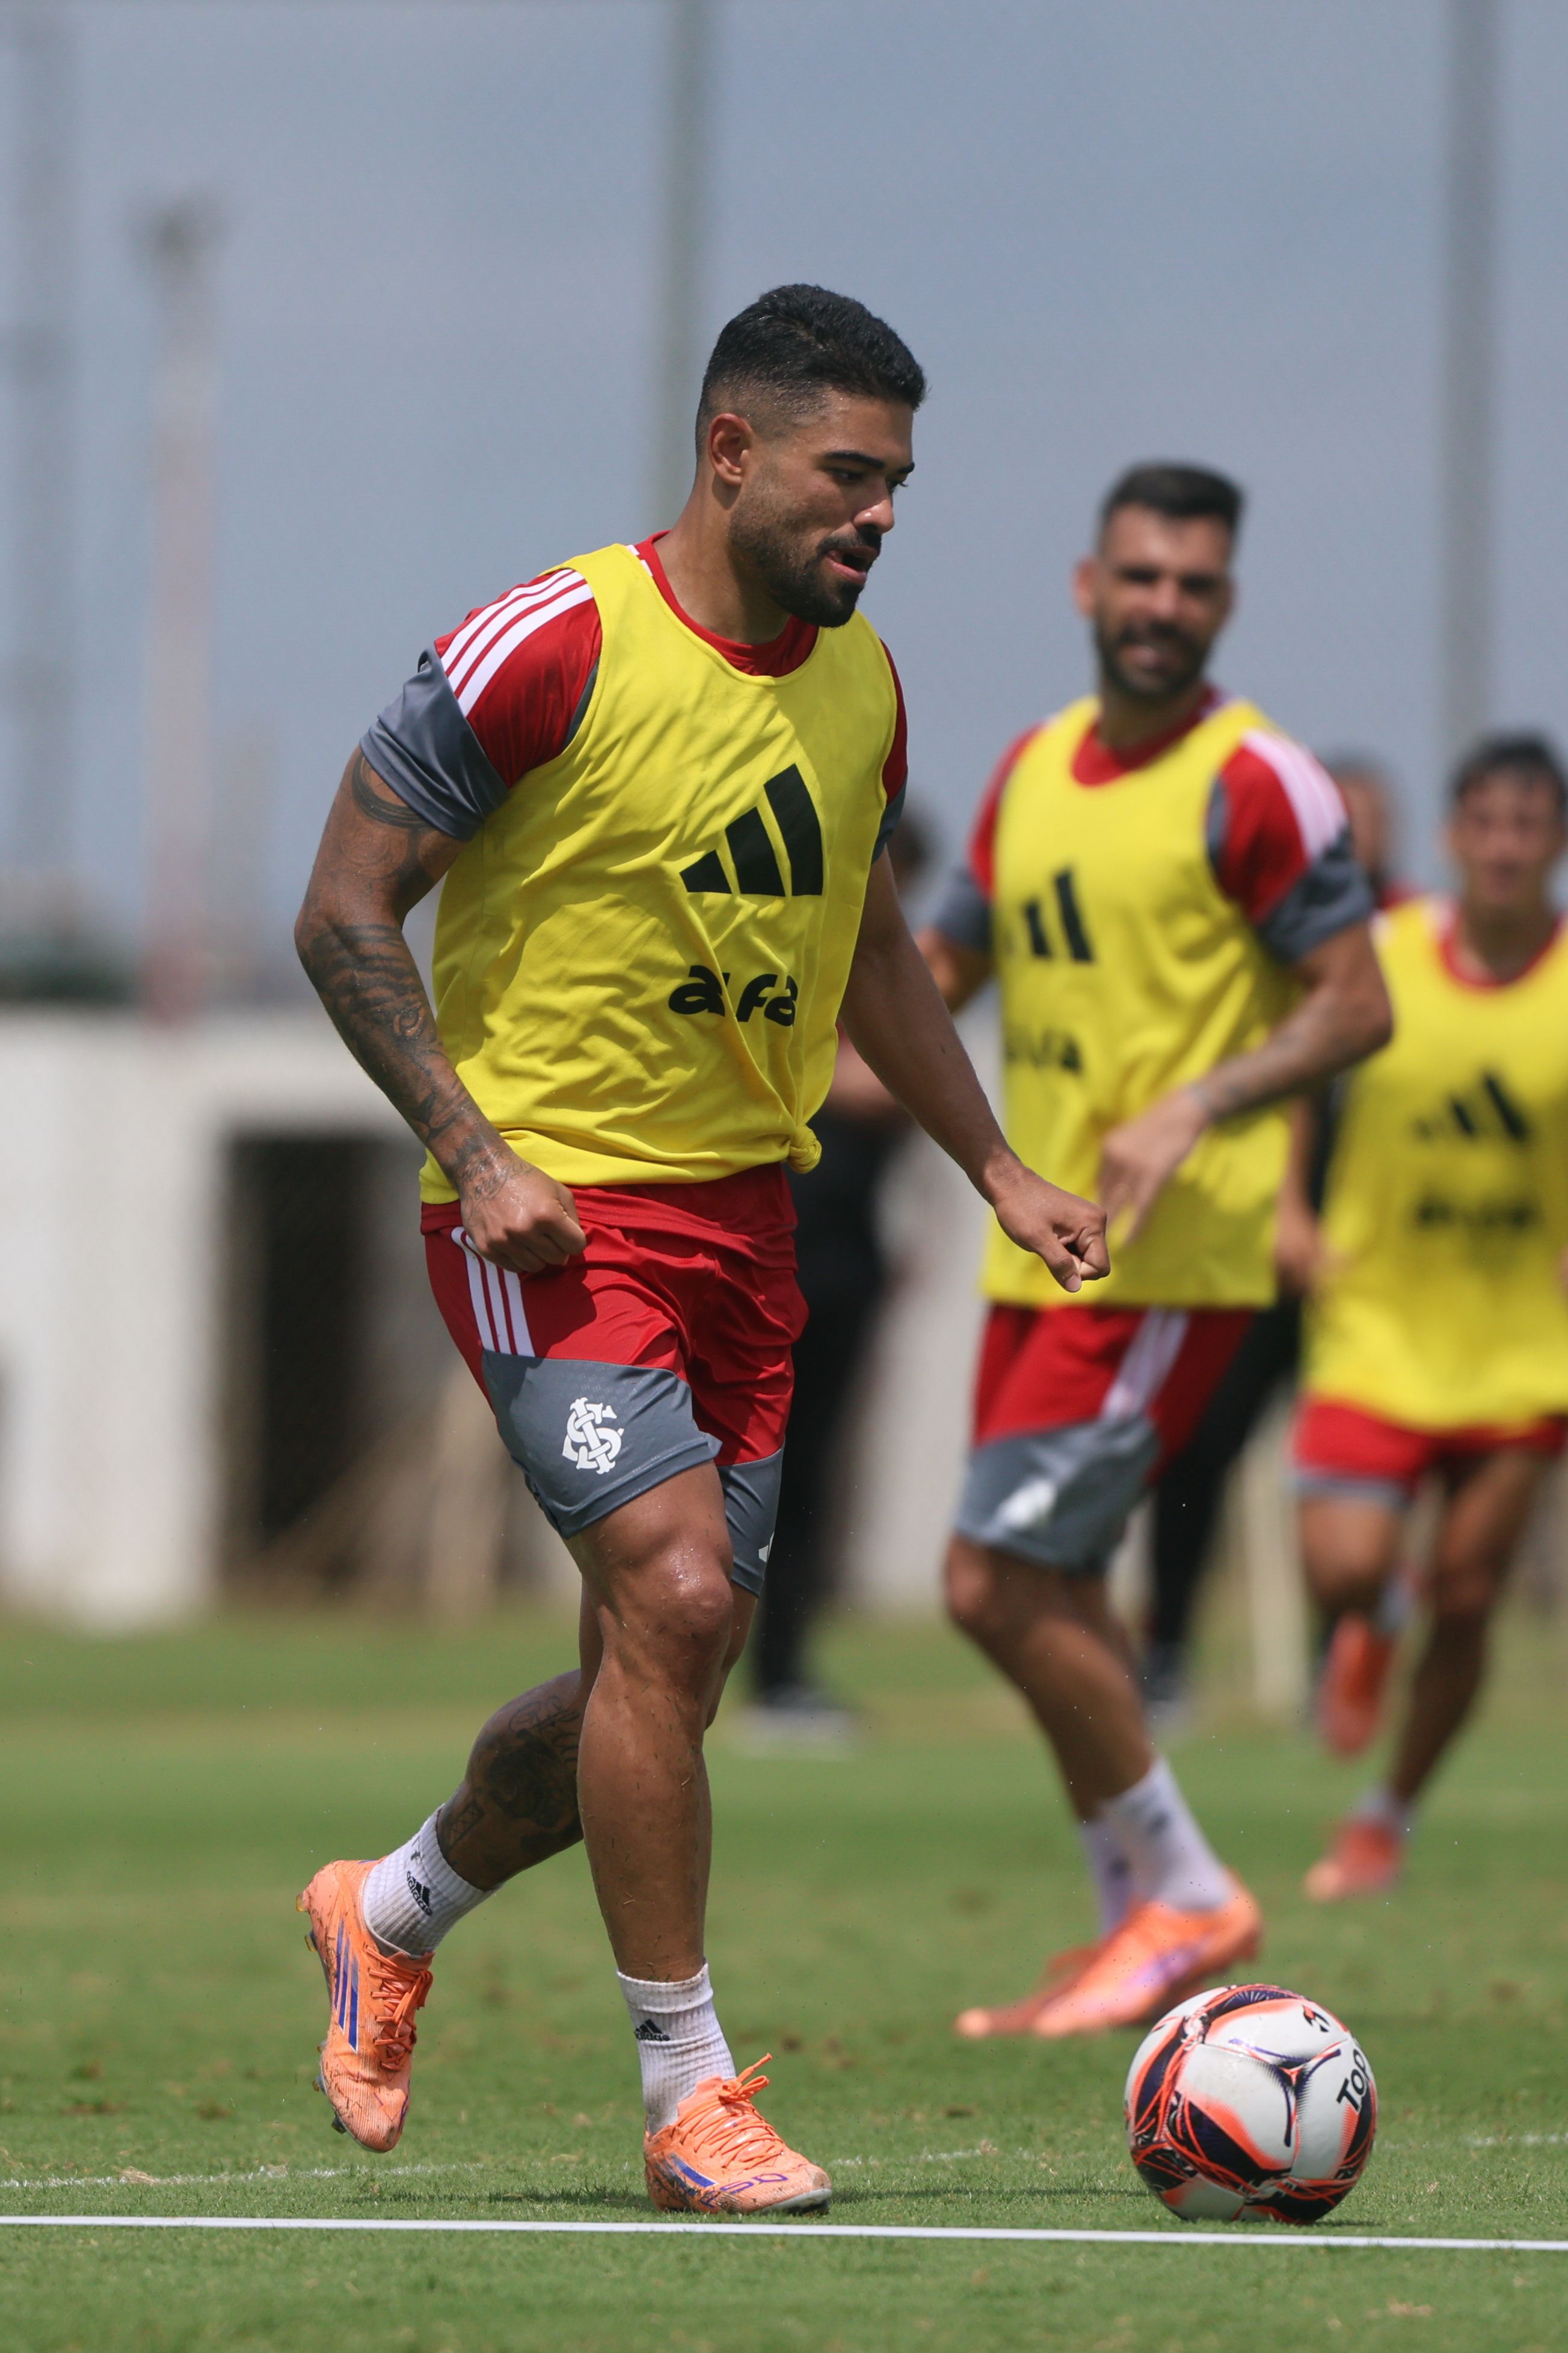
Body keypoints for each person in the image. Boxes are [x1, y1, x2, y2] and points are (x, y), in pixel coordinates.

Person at [292, 284, 1107, 2213]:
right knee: (670, 1599)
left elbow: (875, 947)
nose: (880, 515)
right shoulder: (550, 644)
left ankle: (389, 1909)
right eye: (850, 474)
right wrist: (474, 1151)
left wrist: (997, 1162)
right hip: (551, 1219)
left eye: (898, 485)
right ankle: (688, 2097)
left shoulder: (863, 684)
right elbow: (341, 909)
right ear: (731, 452)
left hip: (749, 1226)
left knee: (663, 1668)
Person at [921, 461, 1391, 2038]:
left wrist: (1200, 1101)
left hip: (1168, 1267)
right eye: (1139, 577)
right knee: (1058, 1592)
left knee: (990, 1581)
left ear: (1224, 604)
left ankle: (1187, 1891)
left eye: (1192, 585)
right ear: (1087, 585)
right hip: (1032, 1254)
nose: (1161, 608)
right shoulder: (1029, 769)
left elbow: (1356, 1003)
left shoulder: (1259, 782)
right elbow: (938, 966)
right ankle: (1129, 1921)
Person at [1291, 733, 1568, 1899]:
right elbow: (1293, 1066)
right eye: (1486, 825)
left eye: (1528, 827)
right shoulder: (1385, 950)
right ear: (1454, 837)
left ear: (1554, 842)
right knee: (1343, 1567)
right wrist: (1287, 1210)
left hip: (1521, 1343)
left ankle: (1384, 1815)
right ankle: (1370, 1619)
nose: (1504, 848)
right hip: (1376, 1323)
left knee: (1470, 1593)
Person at [1142, 757, 1407, 1718]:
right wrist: (1288, 1207)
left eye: (1369, 819)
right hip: (1254, 1238)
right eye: (1341, 817)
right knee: (1198, 1444)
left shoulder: (1414, 938)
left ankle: (1340, 1666)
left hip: (1374, 1257)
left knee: (1353, 1473)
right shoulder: (1266, 934)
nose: (1355, 836)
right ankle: (1165, 1653)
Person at [744, 813, 929, 1742]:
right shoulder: (793, 957)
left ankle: (780, 1676)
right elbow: (867, 1082)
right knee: (736, 1467)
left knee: (807, 1474)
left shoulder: (884, 970)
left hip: (843, 1264)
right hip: (763, 1249)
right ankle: (709, 1667)